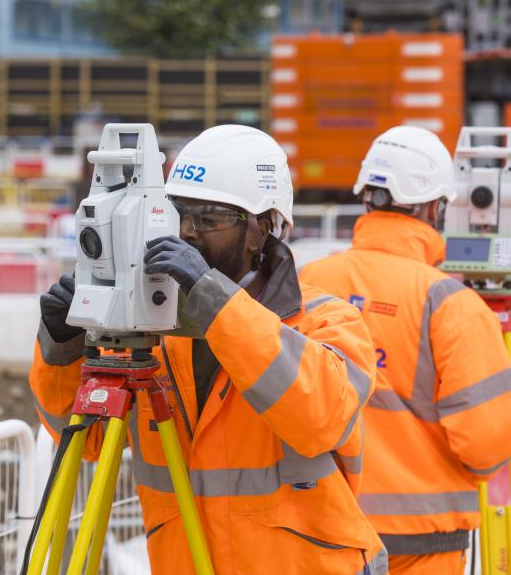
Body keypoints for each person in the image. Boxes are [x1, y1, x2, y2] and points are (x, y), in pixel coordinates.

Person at [29, 125, 387, 574]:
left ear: (261, 230)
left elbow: (320, 417)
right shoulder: (154, 332)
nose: (188, 232)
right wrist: (62, 348)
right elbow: (84, 440)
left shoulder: (325, 320)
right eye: (177, 213)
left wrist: (213, 300)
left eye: (211, 217)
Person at [300, 125, 511, 574]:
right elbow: (486, 444)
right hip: (422, 543)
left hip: (321, 532)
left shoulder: (307, 282)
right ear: (436, 207)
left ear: (365, 197)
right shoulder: (450, 303)